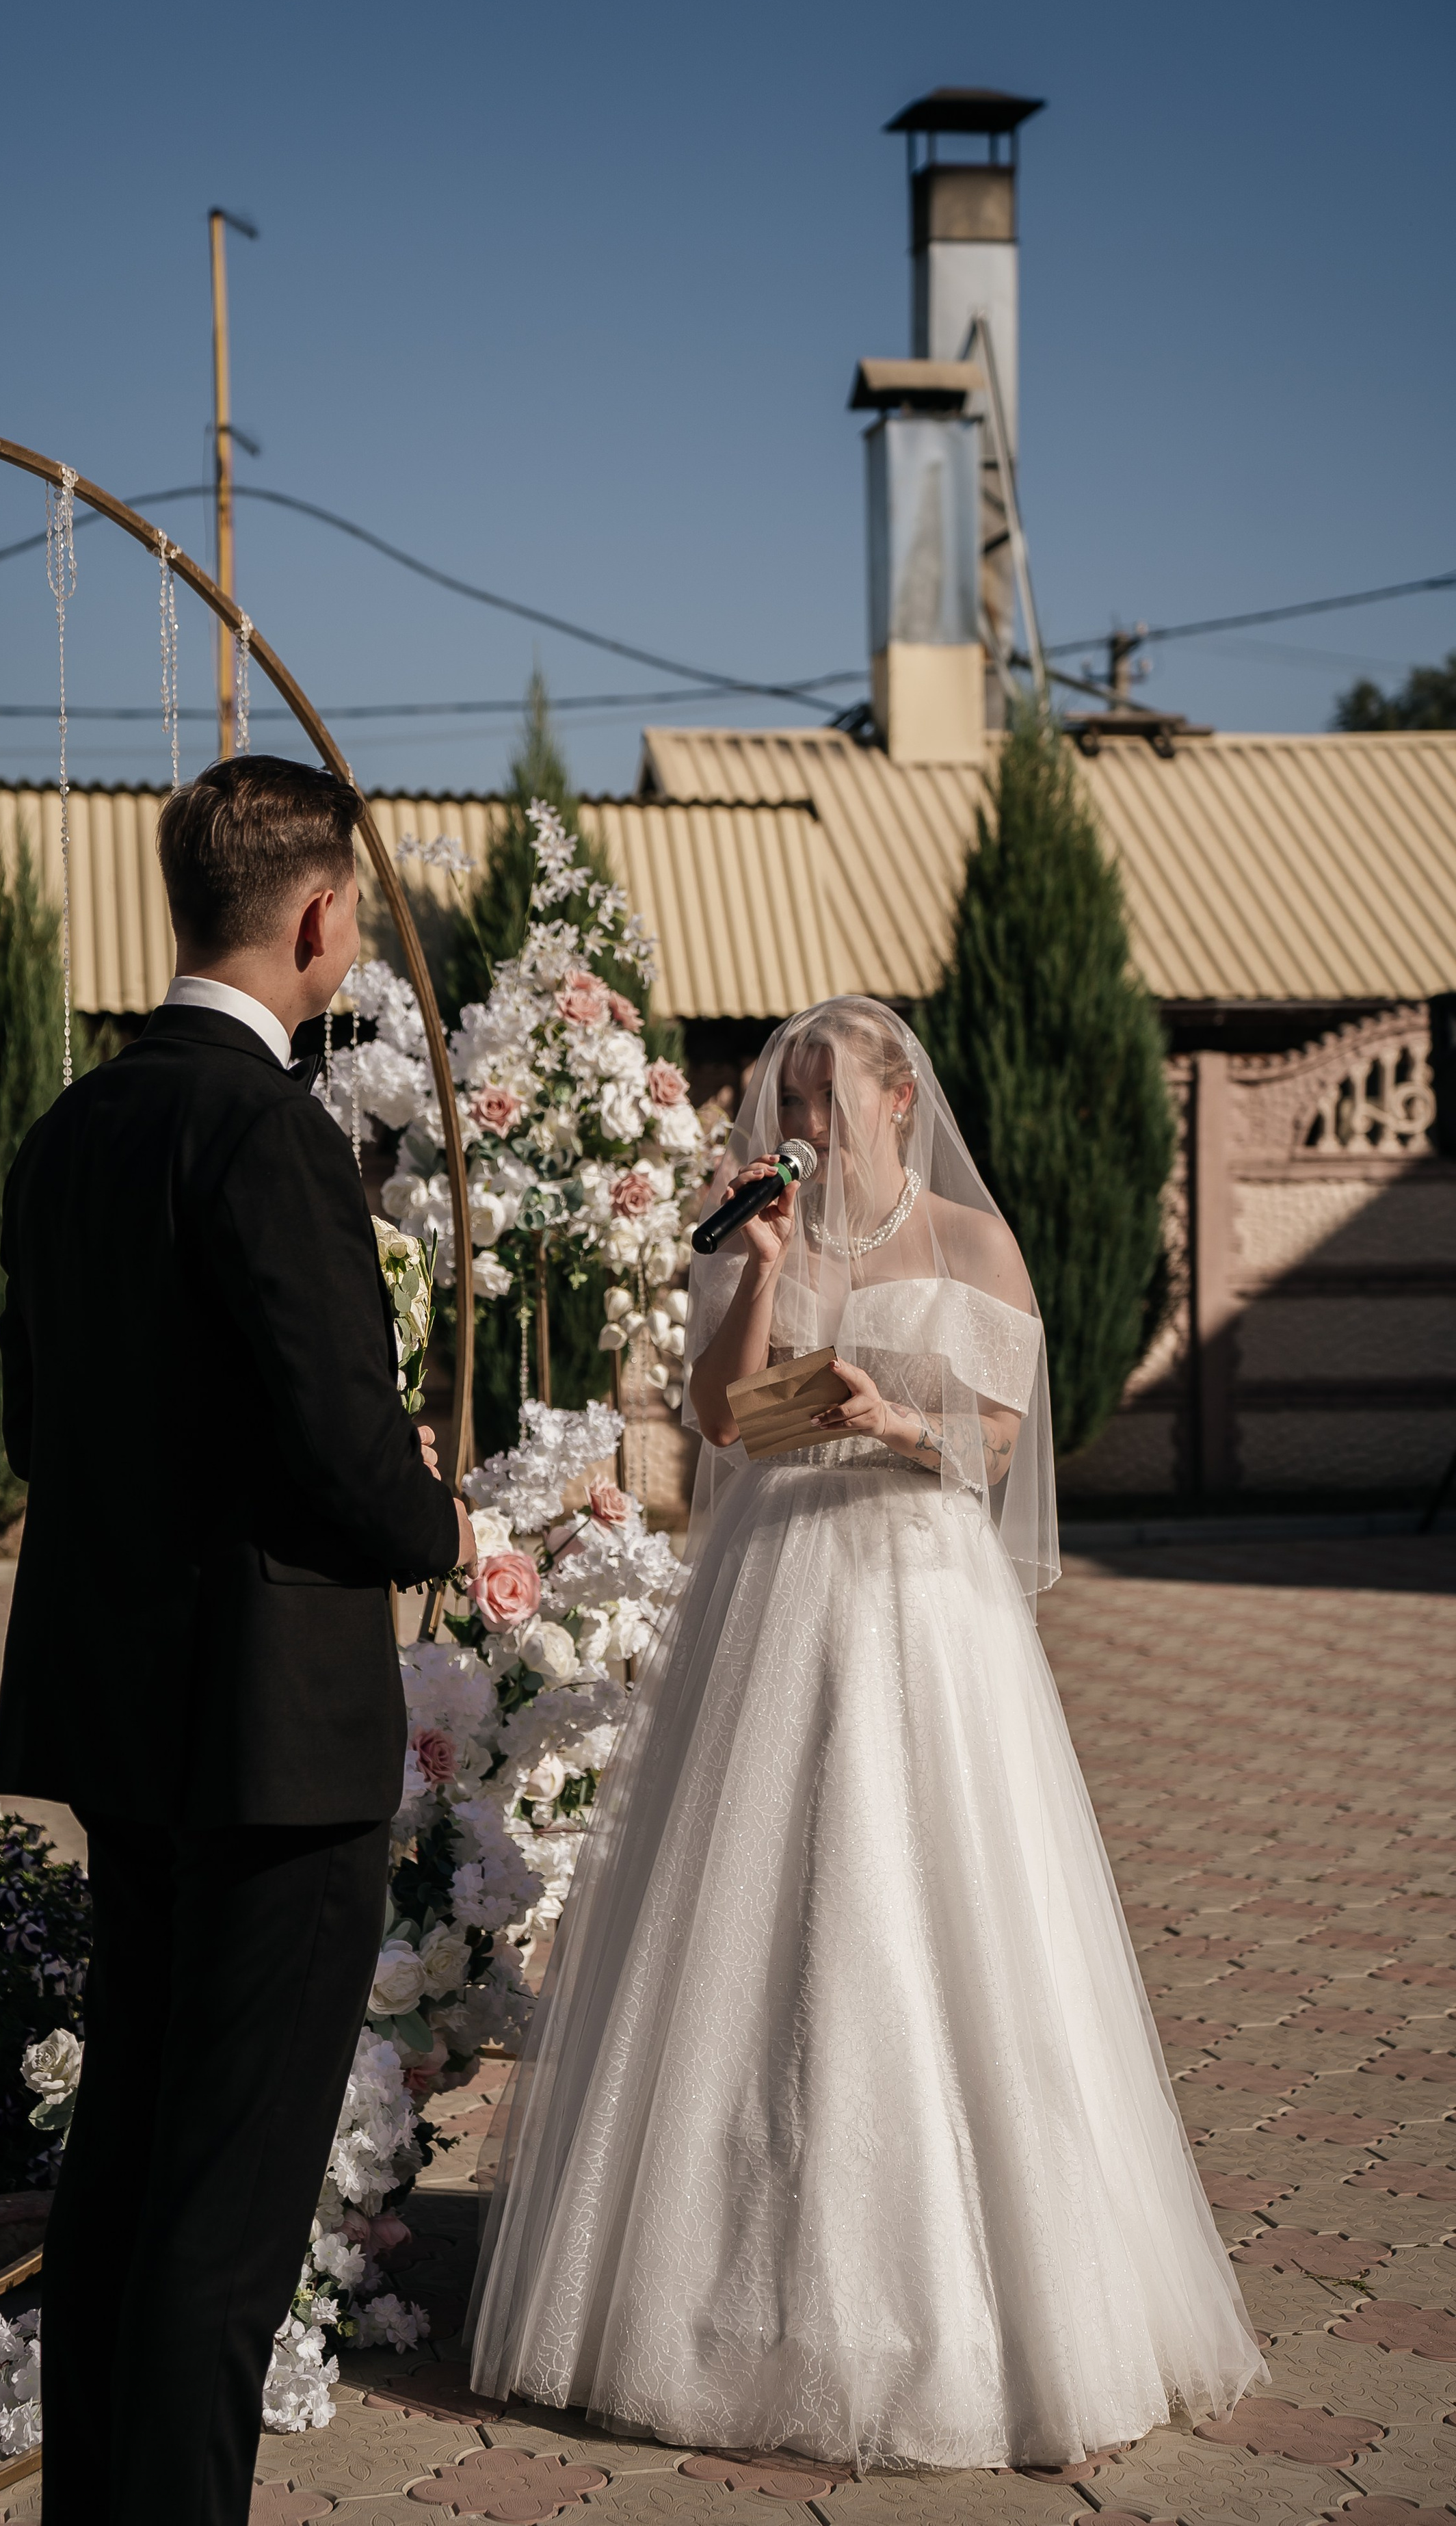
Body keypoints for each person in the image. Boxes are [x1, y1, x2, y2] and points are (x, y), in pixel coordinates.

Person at [466, 997, 1262, 2472]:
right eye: (792, 1099)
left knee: (936, 1905)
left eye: (829, 1097)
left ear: (901, 1097)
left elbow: (1006, 1441)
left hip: (922, 1599)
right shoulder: (762, 1235)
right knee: (758, 1918)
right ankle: (720, 2288)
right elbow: (716, 1420)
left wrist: (894, 1423)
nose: (806, 1125)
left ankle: (984, 2306)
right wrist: (765, 1270)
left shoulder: (969, 1243)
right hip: (776, 1596)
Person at [0, 757, 475, 2525]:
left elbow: (34, 1425)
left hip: (123, 1714)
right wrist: (440, 1522)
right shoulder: (269, 1131)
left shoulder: (75, 1125)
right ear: (322, 916)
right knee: (229, 2209)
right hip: (272, 1740)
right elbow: (339, 1439)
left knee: (125, 2166)